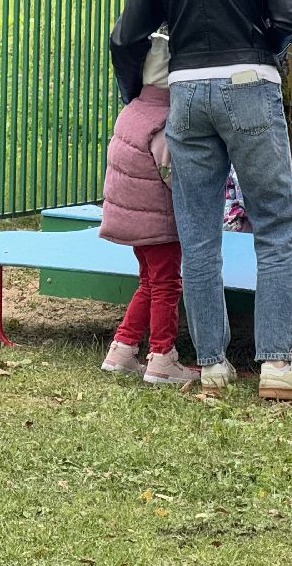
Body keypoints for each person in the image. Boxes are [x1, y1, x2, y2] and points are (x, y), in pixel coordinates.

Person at [108, 0, 292, 400]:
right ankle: (277, 363)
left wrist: (134, 93)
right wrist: (267, 50)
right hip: (249, 81)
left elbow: (126, 35)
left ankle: (212, 365)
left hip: (185, 92)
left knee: (198, 231)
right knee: (275, 223)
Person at [97, 33, 199, 386]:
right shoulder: (167, 119)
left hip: (130, 216)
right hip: (159, 219)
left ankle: (122, 350)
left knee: (150, 282)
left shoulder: (134, 109)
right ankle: (162, 357)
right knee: (168, 284)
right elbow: (173, 175)